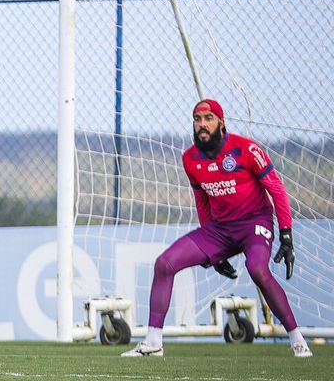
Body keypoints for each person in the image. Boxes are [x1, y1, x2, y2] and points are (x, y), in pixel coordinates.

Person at [124, 98, 311, 357]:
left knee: (257, 269)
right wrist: (214, 251)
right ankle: (153, 342)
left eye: (208, 119)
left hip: (254, 222)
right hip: (219, 230)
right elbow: (202, 201)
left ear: (221, 122)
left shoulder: (246, 149)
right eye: (197, 120)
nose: (202, 125)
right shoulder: (190, 159)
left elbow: (276, 189)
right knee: (164, 264)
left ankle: (297, 338)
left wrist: (286, 235)